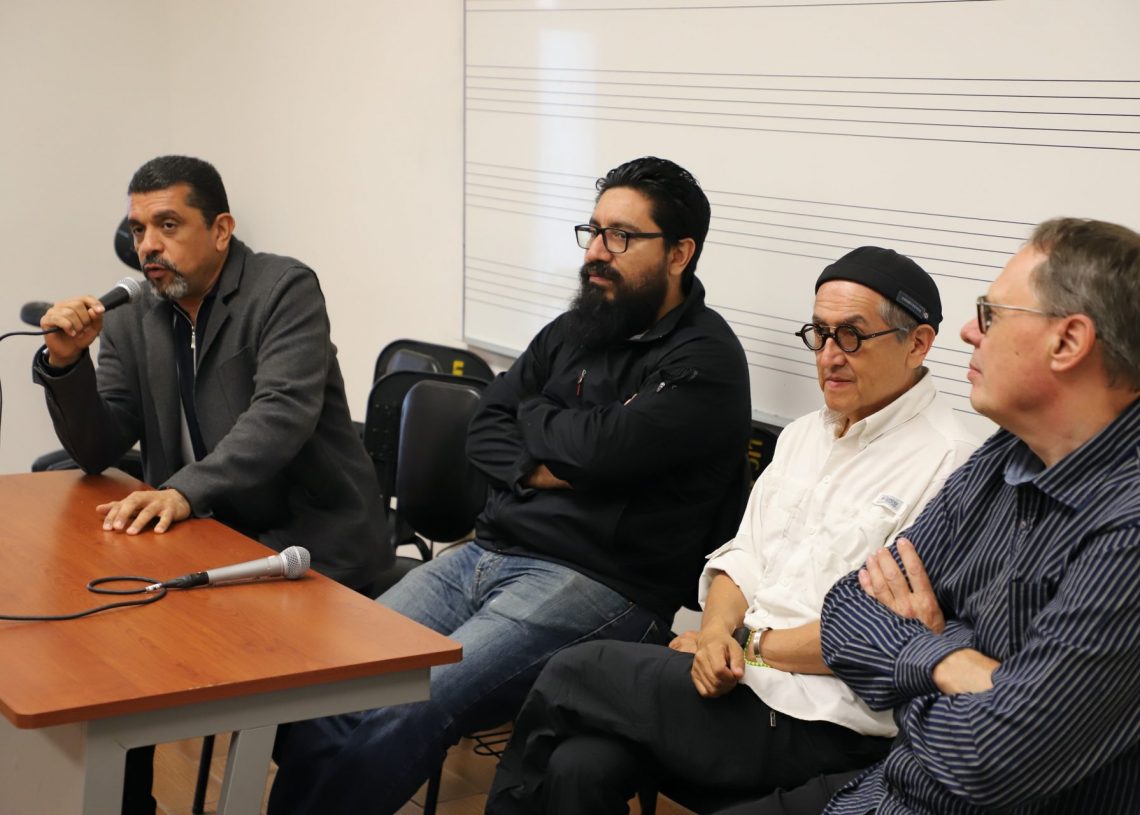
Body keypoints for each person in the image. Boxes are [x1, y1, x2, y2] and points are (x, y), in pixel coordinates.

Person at [267, 156, 753, 815]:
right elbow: (488, 424)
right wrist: (557, 456)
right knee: (332, 675)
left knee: (416, 699)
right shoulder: (578, 328)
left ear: (679, 253)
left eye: (621, 236)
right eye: (593, 230)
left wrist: (544, 422)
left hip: (601, 584)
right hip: (486, 551)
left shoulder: (706, 360)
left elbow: (602, 449)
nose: (596, 251)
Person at [484, 246, 981, 814]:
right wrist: (717, 631)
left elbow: (879, 636)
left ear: (917, 343)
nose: (829, 356)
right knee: (580, 765)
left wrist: (741, 645)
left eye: (851, 336)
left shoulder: (951, 463)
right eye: (819, 334)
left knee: (574, 672)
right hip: (744, 682)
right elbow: (742, 557)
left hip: (823, 718)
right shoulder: (803, 435)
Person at [33, 155, 390, 814]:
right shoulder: (136, 312)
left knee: (295, 722)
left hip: (307, 546)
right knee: (111, 660)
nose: (148, 245)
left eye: (168, 225)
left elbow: (279, 415)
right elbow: (98, 445)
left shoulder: (283, 289)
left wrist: (183, 491)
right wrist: (65, 363)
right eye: (138, 229)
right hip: (207, 542)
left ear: (221, 229)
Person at [818, 218, 1140, 815]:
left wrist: (924, 646)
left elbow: (990, 759)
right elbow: (844, 611)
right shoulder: (1006, 450)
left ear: (1068, 342)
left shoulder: (1129, 530)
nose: (968, 332)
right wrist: (953, 658)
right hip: (882, 792)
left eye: (991, 315)